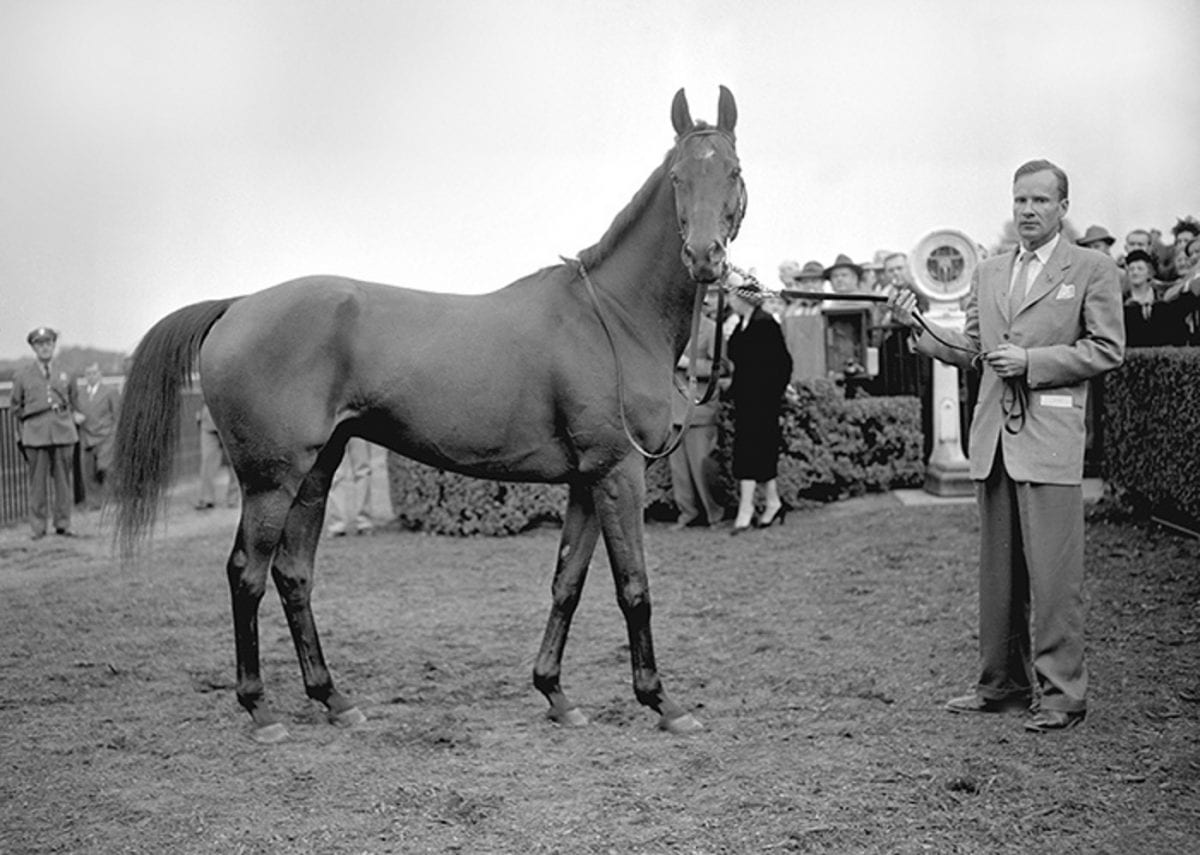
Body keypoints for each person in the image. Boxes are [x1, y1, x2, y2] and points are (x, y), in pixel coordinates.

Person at [890, 159, 1124, 733]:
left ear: (1062, 208)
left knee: (1054, 576)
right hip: (992, 438)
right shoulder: (991, 272)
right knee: (998, 576)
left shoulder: (1092, 268)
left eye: (1040, 201)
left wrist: (1033, 363)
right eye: (1020, 200)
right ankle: (1001, 686)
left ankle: (1063, 695)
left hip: (1049, 439)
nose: (1027, 211)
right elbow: (970, 348)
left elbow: (1107, 349)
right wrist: (914, 328)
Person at [725, 269, 792, 534]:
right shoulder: (743, 323)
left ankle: (746, 508)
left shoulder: (765, 323)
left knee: (751, 452)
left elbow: (783, 364)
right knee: (759, 453)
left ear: (744, 299)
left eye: (732, 296)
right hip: (747, 400)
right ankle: (773, 503)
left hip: (761, 402)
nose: (729, 301)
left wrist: (771, 395)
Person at [11, 327, 81, 539]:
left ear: (53, 345)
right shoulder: (22, 375)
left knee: (63, 482)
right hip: (35, 435)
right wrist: (32, 421)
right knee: (37, 484)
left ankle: (63, 524)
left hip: (63, 432)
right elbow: (16, 406)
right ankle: (38, 528)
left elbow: (74, 401)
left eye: (48, 343)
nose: (44, 348)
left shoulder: (66, 372)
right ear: (33, 347)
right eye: (39, 344)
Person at [668, 286, 727, 529]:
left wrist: (687, 363)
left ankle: (716, 515)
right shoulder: (671, 329)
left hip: (700, 409)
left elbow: (721, 368)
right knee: (679, 471)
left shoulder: (712, 330)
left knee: (703, 467)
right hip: (673, 410)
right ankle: (687, 514)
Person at [75, 362, 121, 509]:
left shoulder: (110, 392)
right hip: (87, 438)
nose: (91, 376)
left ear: (100, 374)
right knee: (89, 473)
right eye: (88, 373)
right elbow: (72, 411)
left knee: (107, 470)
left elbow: (117, 416)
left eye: (94, 373)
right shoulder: (79, 394)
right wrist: (74, 416)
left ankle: (111, 502)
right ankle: (93, 504)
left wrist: (113, 437)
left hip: (106, 437)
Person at [326, 437, 393, 536]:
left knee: (362, 471)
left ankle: (363, 522)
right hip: (335, 426)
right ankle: (337, 524)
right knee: (337, 473)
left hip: (357, 426)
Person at [778, 259, 828, 382]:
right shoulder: (790, 310)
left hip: (823, 366)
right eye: (806, 282)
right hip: (796, 368)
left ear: (822, 283)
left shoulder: (829, 306)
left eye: (815, 281)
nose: (810, 285)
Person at [196, 403, 238, 509]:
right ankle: (206, 498)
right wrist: (199, 413)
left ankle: (233, 498)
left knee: (233, 462)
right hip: (208, 422)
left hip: (229, 420)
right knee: (207, 461)